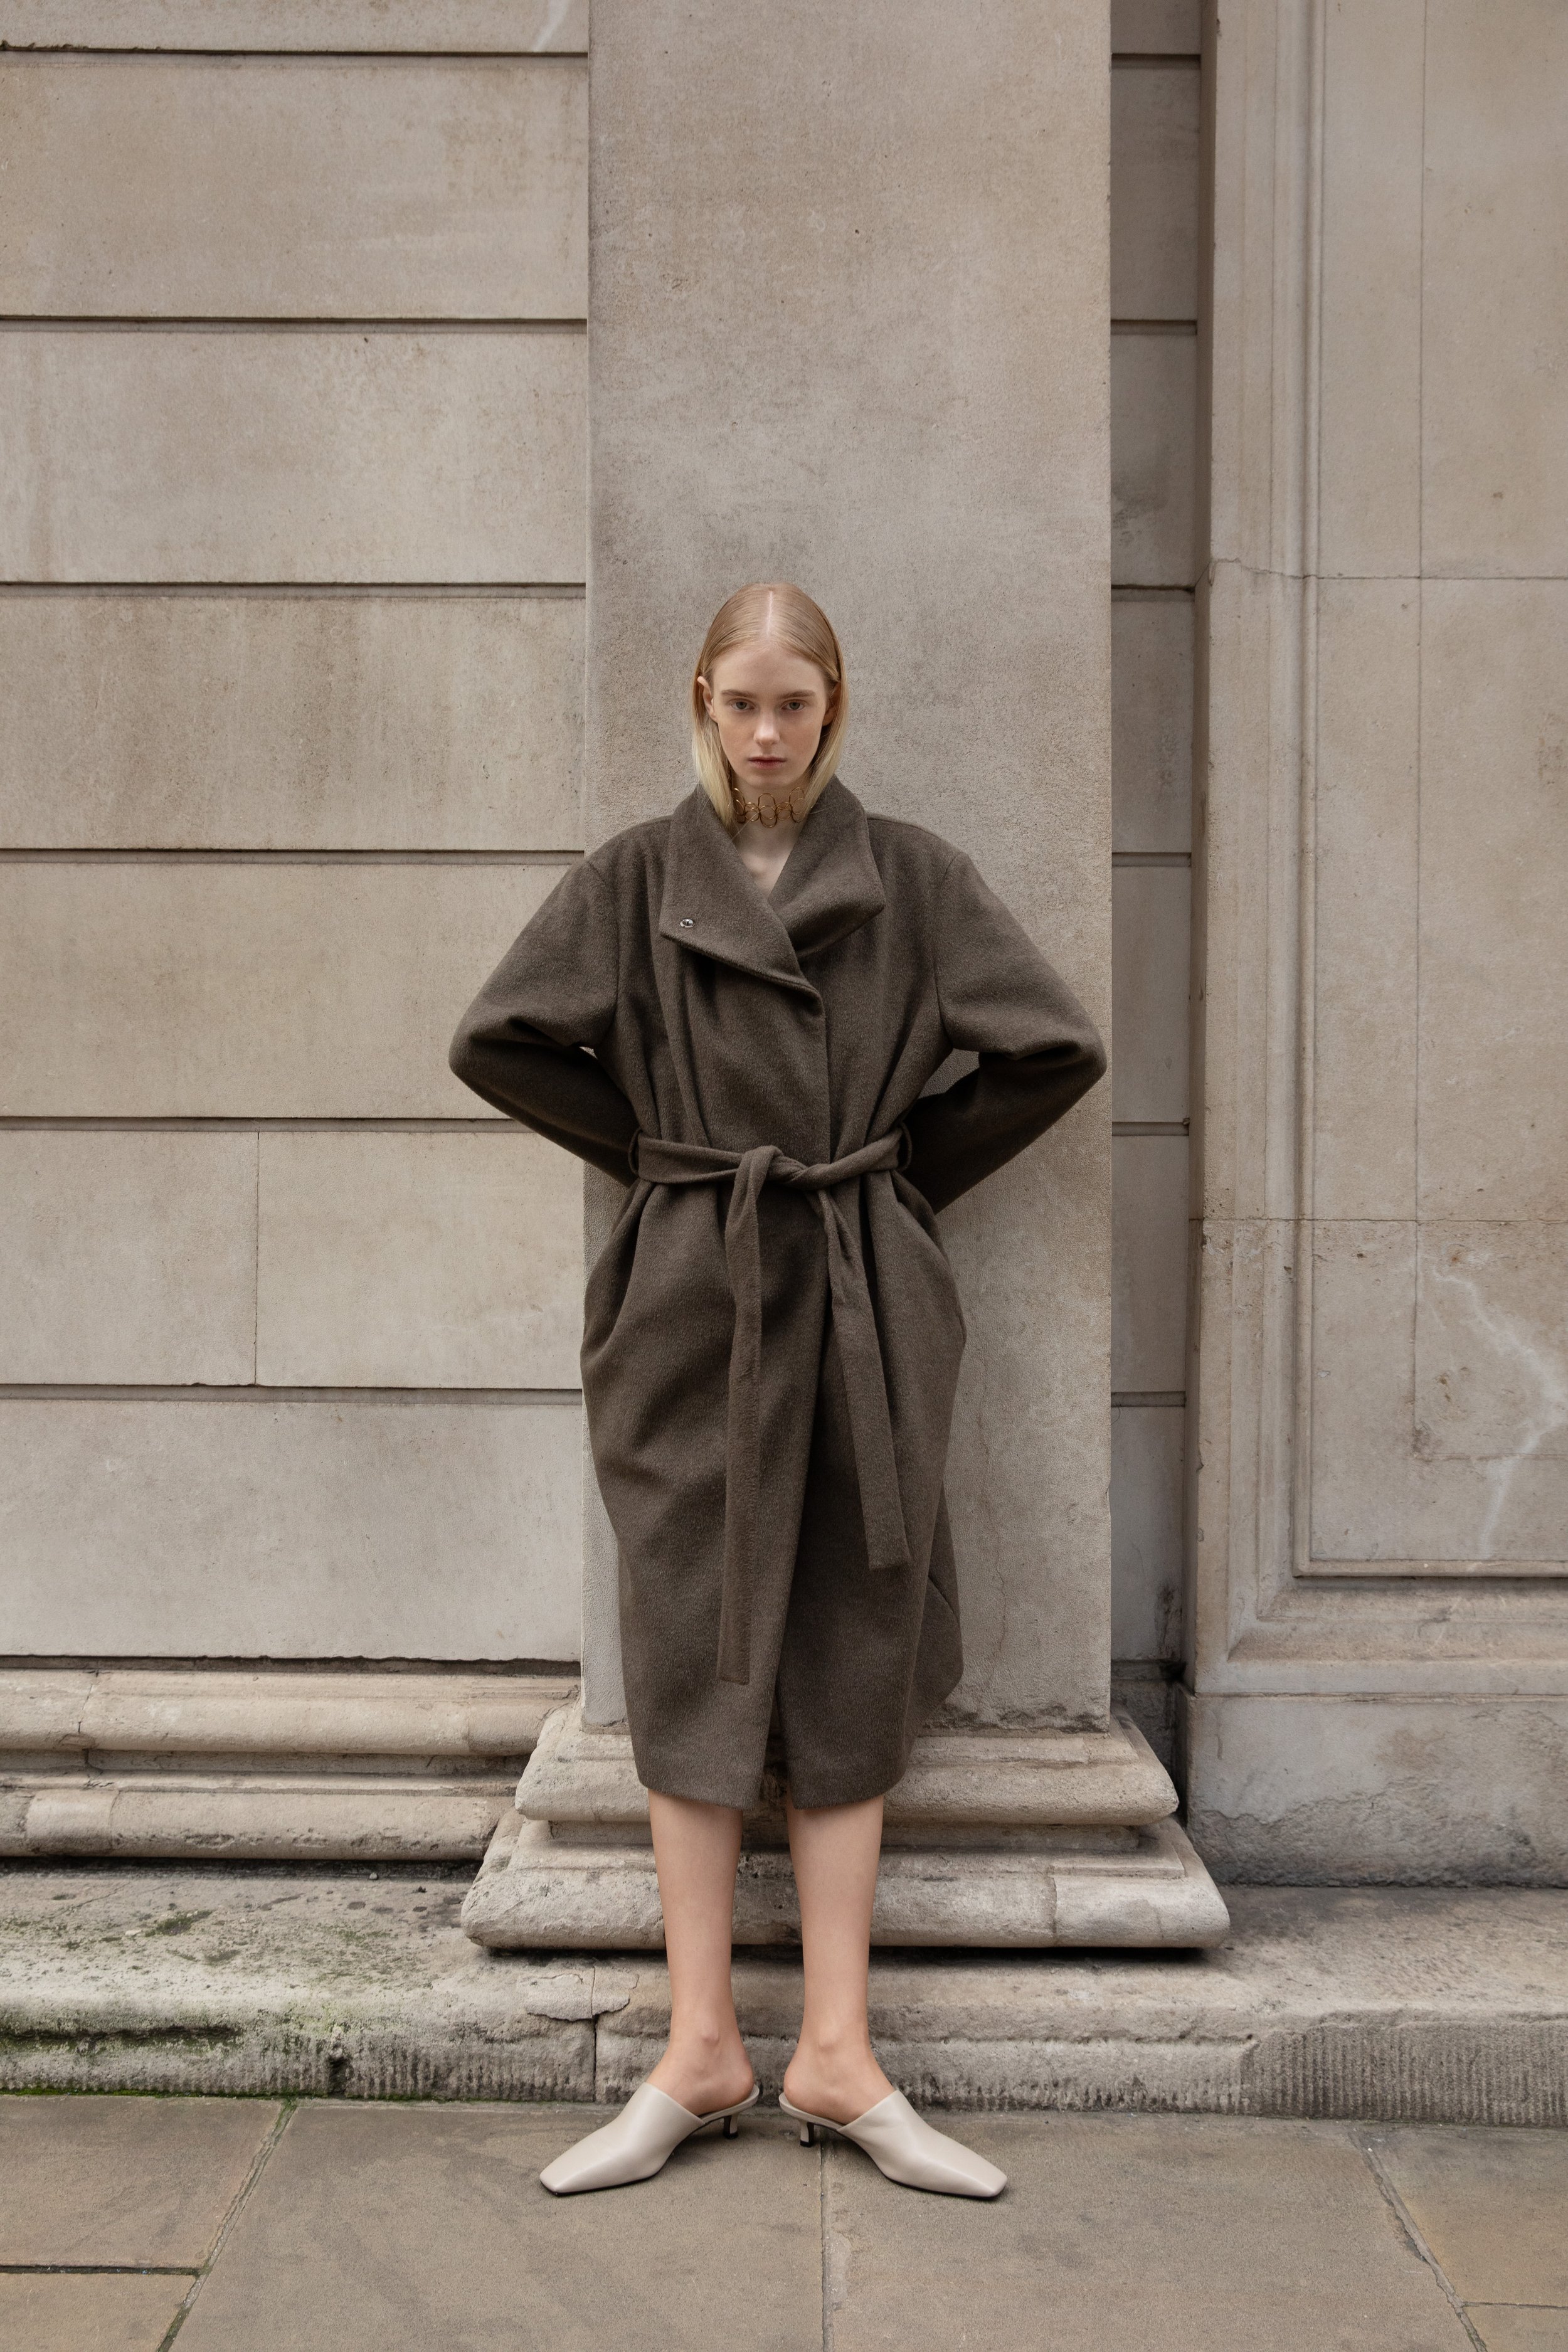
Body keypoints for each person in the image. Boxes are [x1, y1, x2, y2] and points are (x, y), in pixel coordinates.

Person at [449, 582, 1106, 2198]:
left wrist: (891, 1181)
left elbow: (1053, 1050)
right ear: (700, 701)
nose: (763, 735)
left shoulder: (915, 879)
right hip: (695, 1298)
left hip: (867, 1296)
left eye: (792, 707)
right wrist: (674, 1173)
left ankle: (836, 2054)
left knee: (851, 1646)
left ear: (833, 709)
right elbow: (500, 1039)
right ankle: (696, 2050)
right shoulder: (637, 878)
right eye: (739, 704)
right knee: (690, 1641)